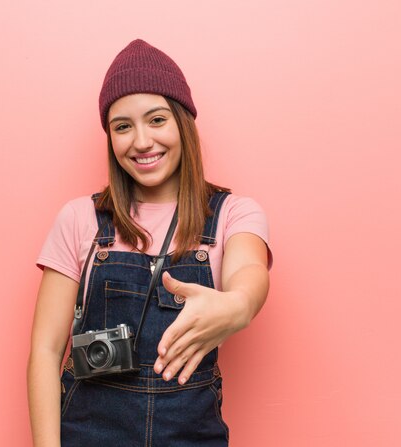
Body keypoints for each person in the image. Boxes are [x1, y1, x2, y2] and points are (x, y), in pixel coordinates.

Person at [27, 39, 271, 446]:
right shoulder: (79, 219)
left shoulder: (234, 213)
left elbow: (250, 271)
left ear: (183, 122)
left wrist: (239, 303)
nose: (141, 141)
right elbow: (46, 352)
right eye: (123, 126)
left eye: (156, 120)